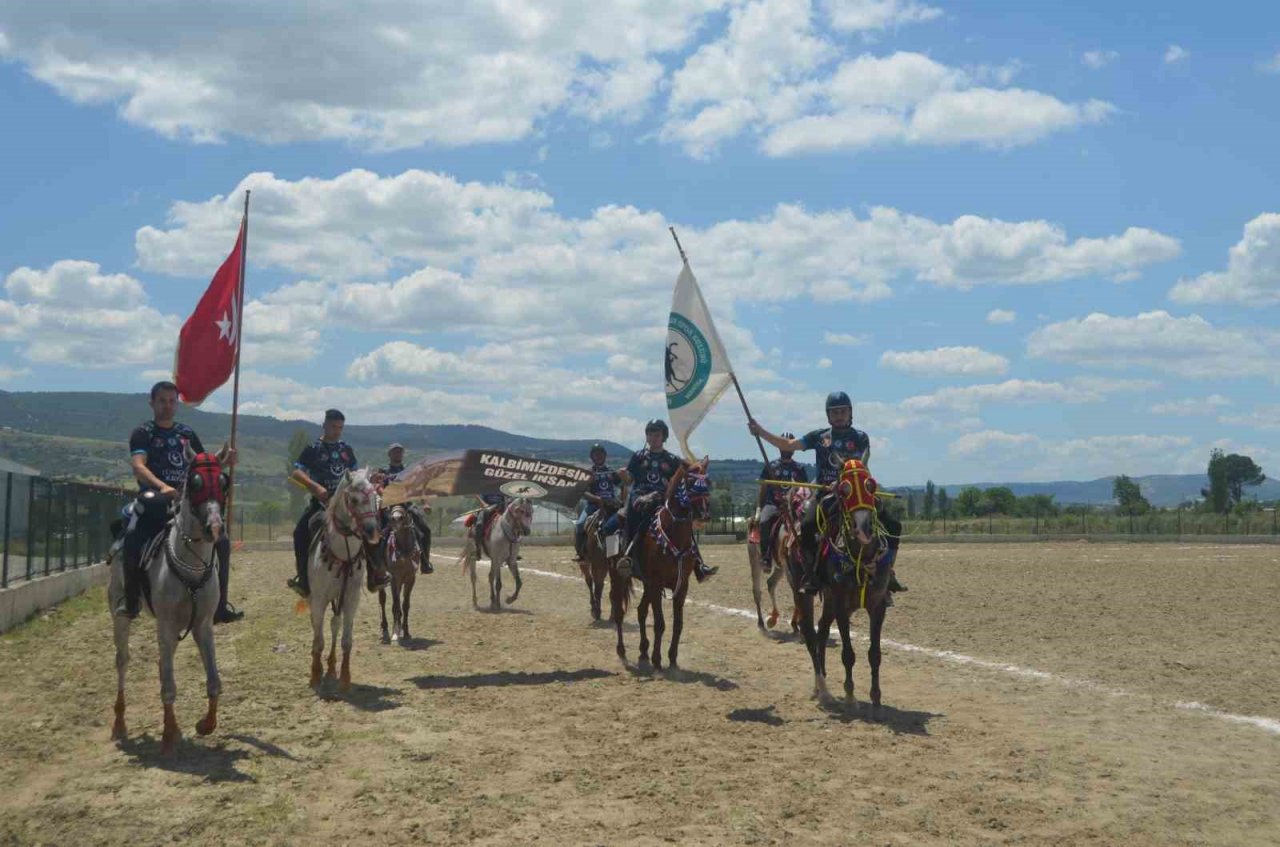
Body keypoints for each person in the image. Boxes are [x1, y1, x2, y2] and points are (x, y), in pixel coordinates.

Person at [748, 391, 904, 596]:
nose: (839, 415)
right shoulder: (819, 437)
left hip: (856, 495)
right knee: (806, 527)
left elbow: (863, 469)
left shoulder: (861, 437)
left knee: (893, 525)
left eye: (843, 411)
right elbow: (788, 444)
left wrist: (865, 488)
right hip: (825, 494)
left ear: (850, 413)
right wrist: (760, 431)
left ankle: (887, 571)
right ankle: (812, 576)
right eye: (834, 412)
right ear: (828, 415)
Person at [117, 380, 241, 623]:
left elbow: (204, 468)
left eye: (172, 401)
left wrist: (225, 463)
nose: (167, 406)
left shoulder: (186, 434)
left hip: (187, 502)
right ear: (152, 402)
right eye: (162, 401)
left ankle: (220, 606)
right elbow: (138, 466)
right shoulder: (143, 433)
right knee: (132, 538)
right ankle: (132, 600)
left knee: (222, 541)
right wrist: (163, 486)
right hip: (154, 499)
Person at [288, 409, 388, 597]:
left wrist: (370, 477)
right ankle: (303, 579)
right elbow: (297, 472)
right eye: (333, 427)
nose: (337, 431)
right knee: (300, 532)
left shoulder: (346, 450)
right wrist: (315, 487)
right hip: (322, 505)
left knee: (371, 526)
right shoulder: (312, 448)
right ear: (324, 425)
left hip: (349, 505)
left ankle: (376, 575)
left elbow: (355, 474)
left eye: (340, 427)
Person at [616, 419, 717, 582]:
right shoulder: (638, 456)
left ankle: (698, 564)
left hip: (661, 497)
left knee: (682, 523)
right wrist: (623, 475)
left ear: (664, 437)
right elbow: (629, 480)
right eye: (650, 434)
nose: (653, 438)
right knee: (631, 515)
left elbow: (677, 482)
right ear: (646, 437)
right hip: (639, 496)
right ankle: (628, 557)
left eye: (657, 435)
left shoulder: (672, 459)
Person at [755, 433, 808, 573]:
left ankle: (809, 554)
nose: (786, 449)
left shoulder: (800, 468)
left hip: (794, 505)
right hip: (773, 505)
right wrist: (759, 508)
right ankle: (766, 557)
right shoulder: (770, 466)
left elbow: (805, 490)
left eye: (789, 445)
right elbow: (763, 488)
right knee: (764, 521)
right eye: (783, 445)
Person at [380, 443, 433, 574]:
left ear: (403, 454)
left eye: (400, 452)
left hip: (407, 506)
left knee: (425, 530)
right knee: (378, 532)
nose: (397, 454)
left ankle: (425, 562)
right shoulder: (383, 472)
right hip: (389, 506)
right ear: (389, 454)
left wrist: (425, 503)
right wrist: (385, 495)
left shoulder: (410, 471)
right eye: (395, 452)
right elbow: (379, 486)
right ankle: (378, 564)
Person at [574, 443, 627, 561]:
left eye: (600, 454)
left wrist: (622, 500)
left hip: (611, 505)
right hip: (593, 505)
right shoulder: (588, 473)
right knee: (580, 524)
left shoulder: (611, 472)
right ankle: (581, 552)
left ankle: (618, 552)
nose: (598, 456)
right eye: (595, 454)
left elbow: (623, 485)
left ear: (605, 456)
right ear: (592, 457)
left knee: (622, 523)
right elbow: (583, 492)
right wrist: (597, 499)